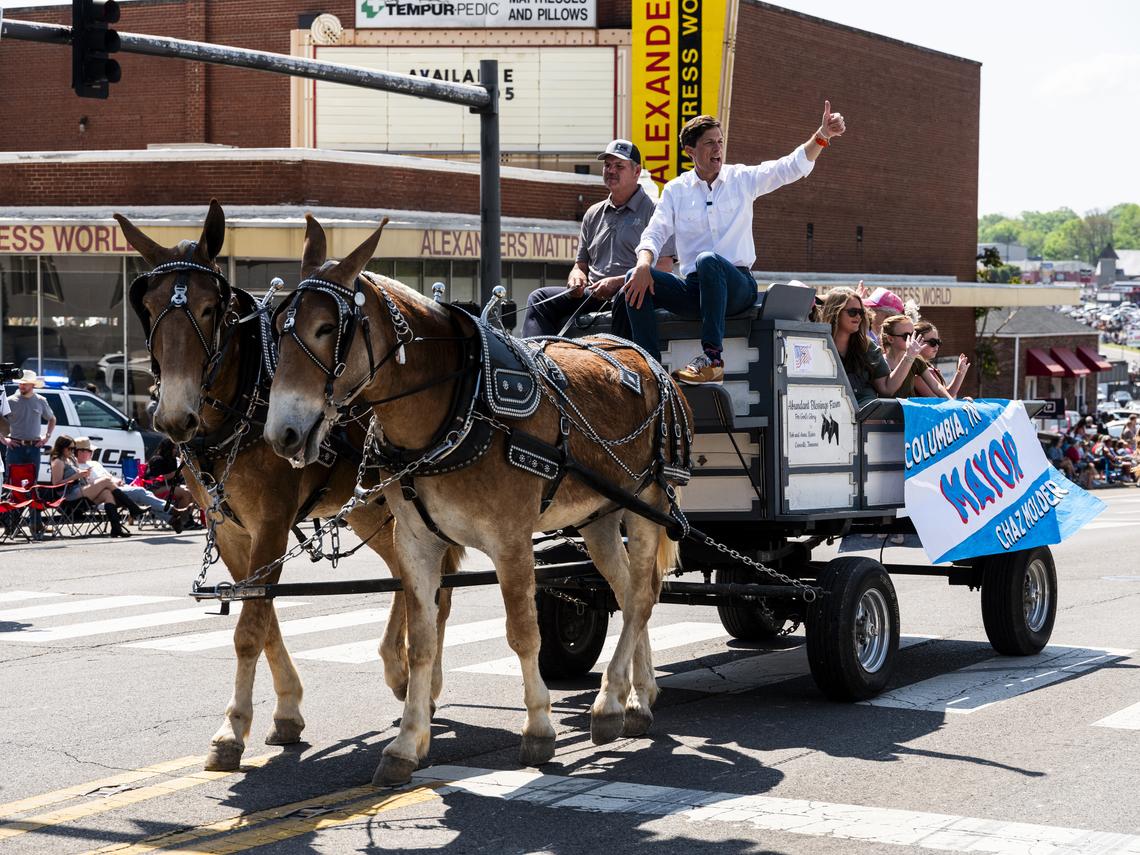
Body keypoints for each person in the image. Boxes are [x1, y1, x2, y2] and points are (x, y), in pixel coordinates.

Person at [620, 103, 847, 384]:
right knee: (634, 278)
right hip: (696, 290)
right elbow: (653, 233)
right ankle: (649, 368)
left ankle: (712, 360)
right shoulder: (676, 190)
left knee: (707, 261)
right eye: (709, 144)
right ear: (691, 152)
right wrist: (643, 265)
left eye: (720, 142)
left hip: (738, 287)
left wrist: (822, 135)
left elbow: (788, 167)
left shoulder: (741, 178)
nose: (718, 149)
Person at [521, 140, 675, 338]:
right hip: (593, 294)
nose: (611, 170)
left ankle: (622, 365)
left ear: (637, 172)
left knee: (623, 297)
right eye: (607, 165)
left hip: (633, 294)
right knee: (539, 298)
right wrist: (576, 278)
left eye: (619, 166)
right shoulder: (593, 213)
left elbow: (664, 268)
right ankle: (537, 363)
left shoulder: (655, 211)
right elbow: (580, 265)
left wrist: (619, 282)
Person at [821, 287, 921, 407]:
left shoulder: (867, 347)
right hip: (829, 412)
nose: (858, 317)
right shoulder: (817, 345)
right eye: (853, 312)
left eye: (861, 312)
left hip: (868, 416)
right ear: (835, 312)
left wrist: (909, 356)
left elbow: (887, 388)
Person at [73, 437, 187, 532]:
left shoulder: (95, 463)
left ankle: (172, 520)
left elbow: (109, 476)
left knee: (146, 497)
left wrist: (117, 480)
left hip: (117, 488)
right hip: (104, 495)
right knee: (141, 492)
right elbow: (92, 486)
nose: (92, 453)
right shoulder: (78, 468)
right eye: (90, 451)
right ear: (80, 452)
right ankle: (172, 511)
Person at [3, 370, 56, 539]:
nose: (21, 385)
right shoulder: (10, 401)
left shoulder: (40, 401)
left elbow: (52, 419)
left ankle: (35, 526)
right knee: (13, 485)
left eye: (25, 383)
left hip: (33, 448)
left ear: (32, 385)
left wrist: (46, 437)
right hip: (15, 447)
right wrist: (4, 440)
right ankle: (11, 526)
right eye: (20, 382)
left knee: (32, 487)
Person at [48, 435, 135, 537]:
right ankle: (132, 507)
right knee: (106, 480)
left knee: (107, 494)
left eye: (73, 449)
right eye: (70, 448)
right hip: (68, 494)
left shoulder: (69, 459)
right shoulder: (58, 461)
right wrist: (76, 476)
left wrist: (83, 473)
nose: (72, 451)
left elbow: (76, 473)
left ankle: (116, 529)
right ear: (62, 447)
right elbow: (56, 484)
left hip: (79, 490)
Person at [878, 314, 950, 399]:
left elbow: (936, 385)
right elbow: (887, 391)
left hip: (909, 411)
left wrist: (952, 402)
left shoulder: (916, 360)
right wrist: (909, 356)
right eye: (907, 336)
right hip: (888, 410)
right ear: (890, 339)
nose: (912, 339)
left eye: (913, 335)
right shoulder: (879, 361)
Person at [913, 321, 970, 398]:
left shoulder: (929, 366)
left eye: (938, 342)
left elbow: (947, 394)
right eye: (932, 342)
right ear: (917, 341)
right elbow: (938, 400)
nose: (936, 346)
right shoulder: (915, 371)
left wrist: (960, 373)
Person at [145, 438, 196, 521]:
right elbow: (158, 478)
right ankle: (181, 520)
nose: (176, 451)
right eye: (174, 448)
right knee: (185, 494)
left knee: (193, 493)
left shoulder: (173, 460)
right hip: (155, 488)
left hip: (168, 486)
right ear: (167, 448)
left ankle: (189, 518)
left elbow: (176, 478)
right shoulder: (157, 459)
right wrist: (178, 472)